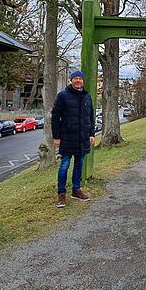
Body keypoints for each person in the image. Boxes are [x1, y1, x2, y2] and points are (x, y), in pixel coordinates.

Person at [51, 71, 96, 208]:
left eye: (80, 79)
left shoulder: (87, 96)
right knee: (64, 165)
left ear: (83, 81)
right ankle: (61, 194)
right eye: (75, 78)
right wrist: (56, 137)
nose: (78, 81)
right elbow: (55, 117)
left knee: (79, 165)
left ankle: (76, 190)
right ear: (71, 80)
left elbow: (91, 117)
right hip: (67, 138)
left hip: (82, 138)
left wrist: (92, 134)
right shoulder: (62, 96)